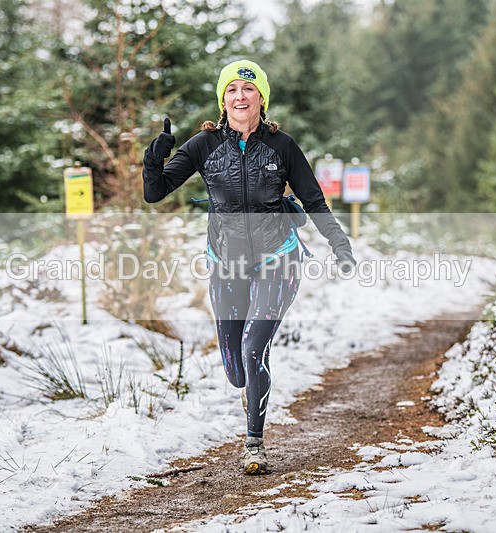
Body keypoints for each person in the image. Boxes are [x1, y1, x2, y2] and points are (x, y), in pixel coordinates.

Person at [143, 59, 356, 475]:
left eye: (249, 90)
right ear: (223, 100)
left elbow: (314, 201)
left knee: (254, 347)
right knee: (236, 369)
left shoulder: (283, 147)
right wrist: (154, 160)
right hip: (226, 262)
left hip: (278, 259)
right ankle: (248, 388)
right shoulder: (203, 146)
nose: (240, 97)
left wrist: (339, 244)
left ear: (262, 98)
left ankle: (254, 443)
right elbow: (156, 193)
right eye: (232, 91)